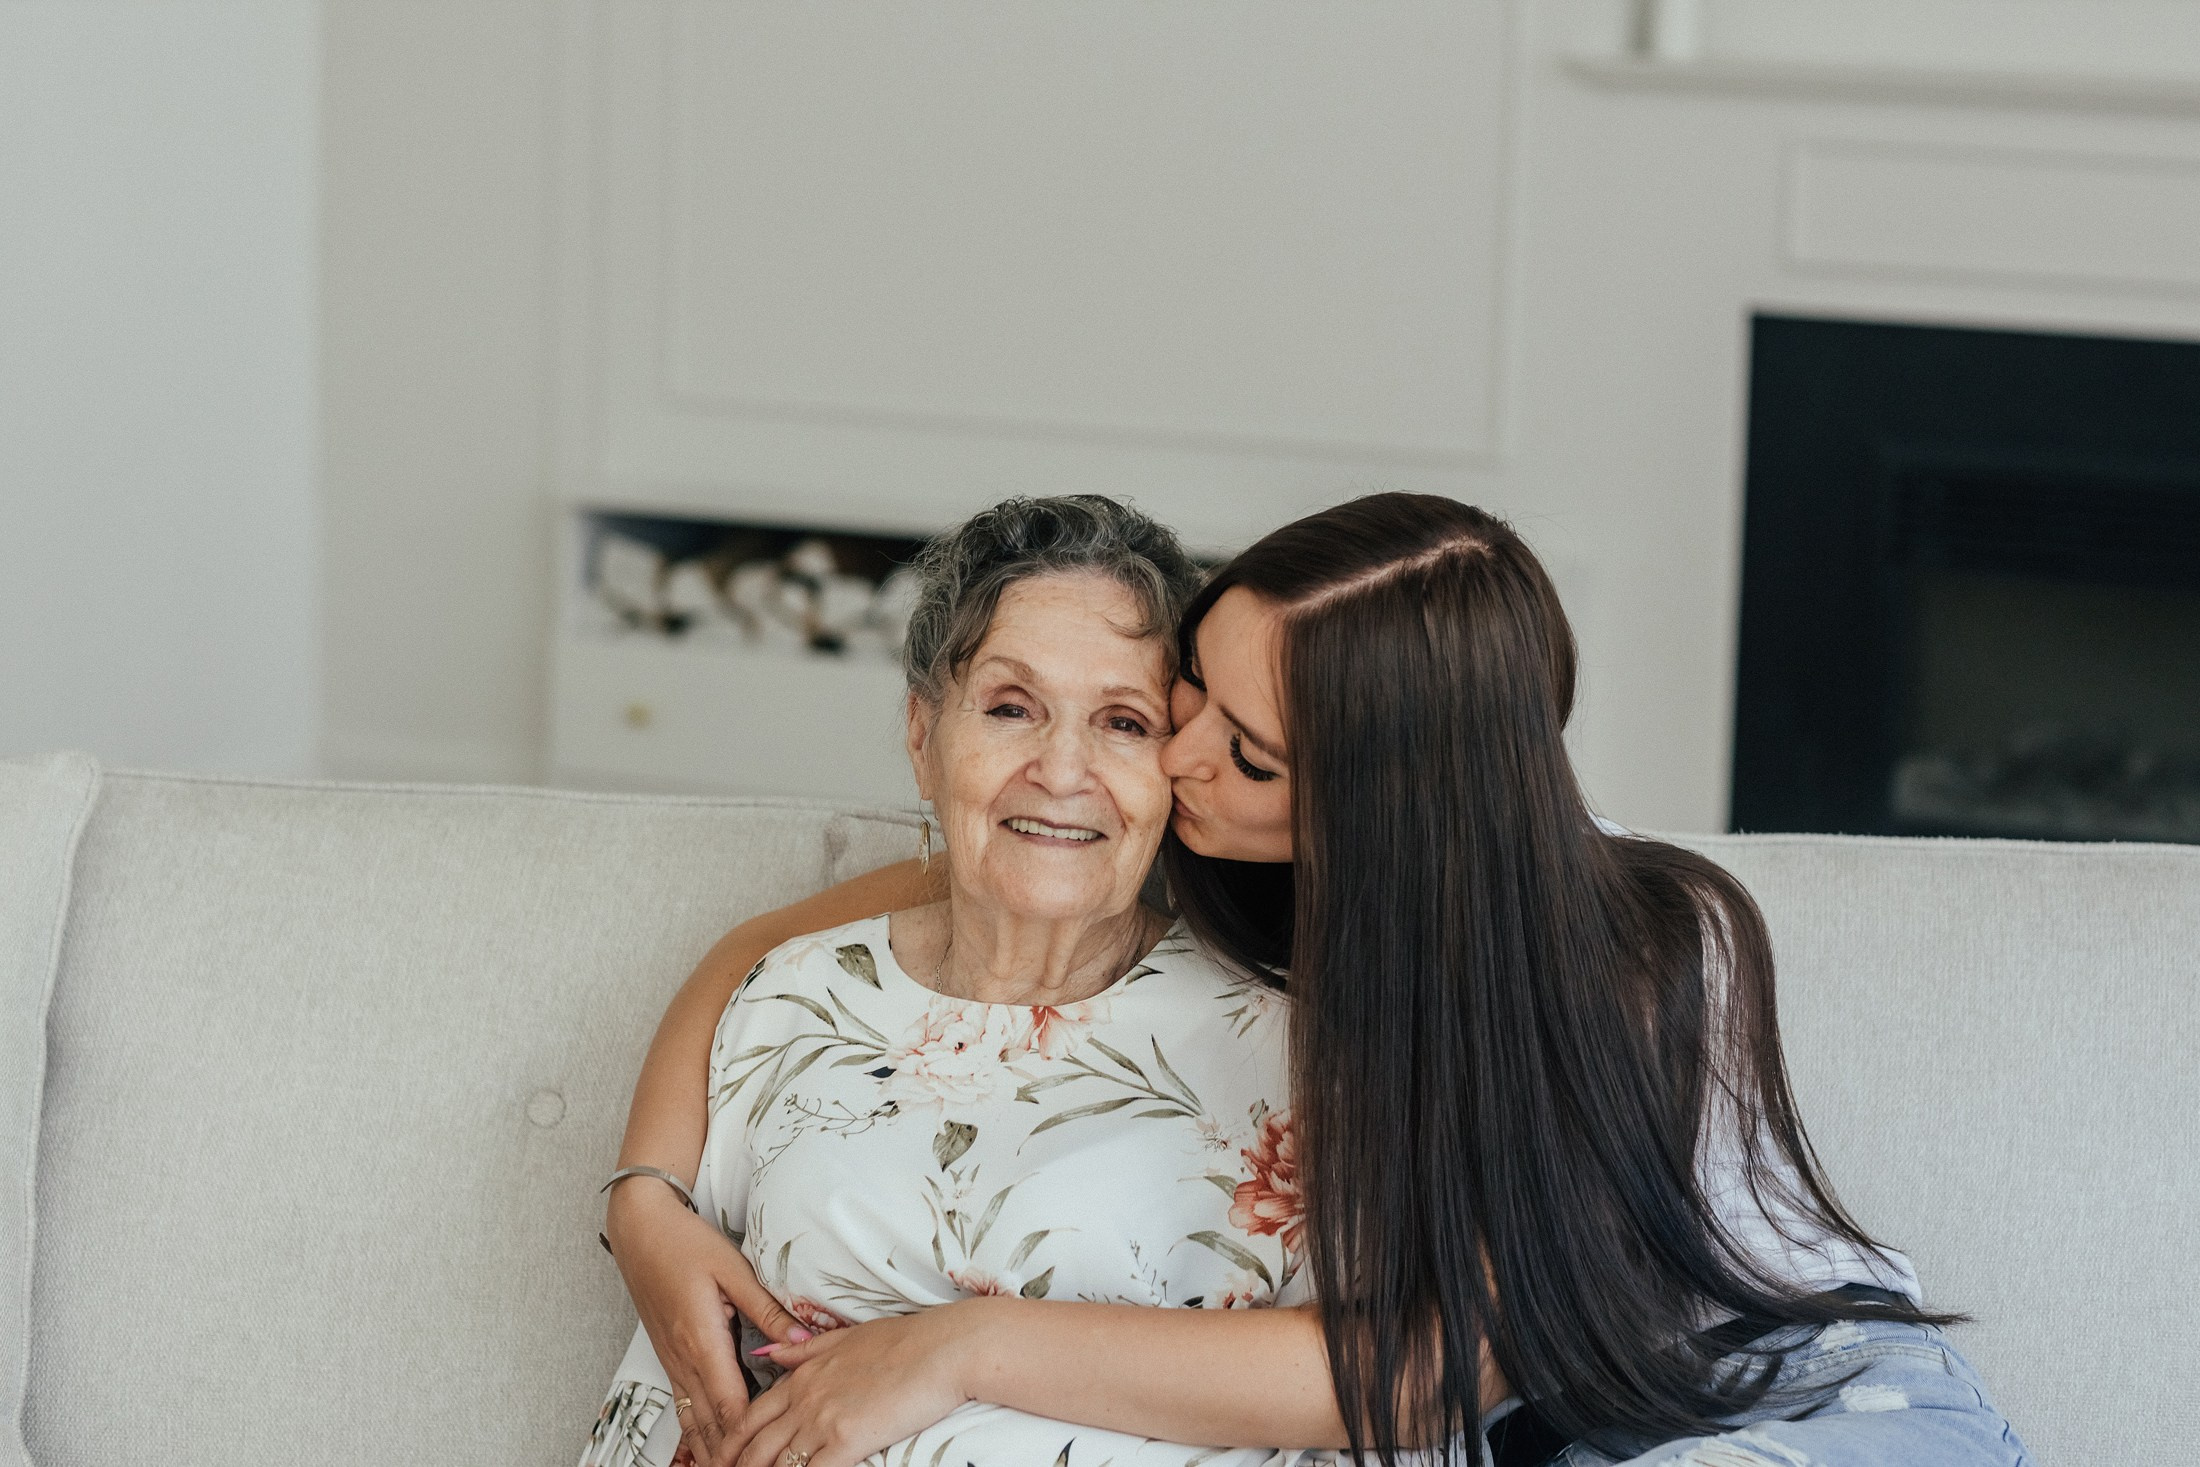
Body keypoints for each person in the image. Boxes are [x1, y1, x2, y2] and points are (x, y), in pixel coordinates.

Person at [608, 494, 2032, 1467]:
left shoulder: (1639, 951)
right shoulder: (1233, 850)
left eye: (1245, 750)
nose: (1171, 763)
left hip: (1764, 1403)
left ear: (1380, 801)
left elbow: (1426, 1368)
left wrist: (964, 1345)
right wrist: (647, 1199)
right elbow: (764, 944)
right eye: (1190, 704)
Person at [585, 497, 1322, 1467]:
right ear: (922, 733)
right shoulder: (793, 998)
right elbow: (674, 1380)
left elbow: (1378, 1391)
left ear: (1177, 767)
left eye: (1123, 721)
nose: (1062, 769)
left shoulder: (1287, 1049)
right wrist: (640, 1200)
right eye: (1011, 708)